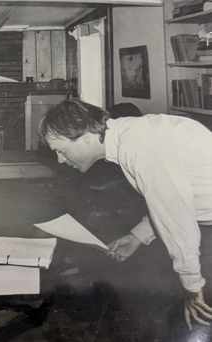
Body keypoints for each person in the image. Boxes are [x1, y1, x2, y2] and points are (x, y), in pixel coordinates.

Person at [38, 98, 212, 330]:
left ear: (86, 136)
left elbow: (176, 217)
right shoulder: (131, 135)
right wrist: (138, 236)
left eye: (61, 150)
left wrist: (192, 286)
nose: (60, 159)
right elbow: (168, 200)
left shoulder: (139, 145)